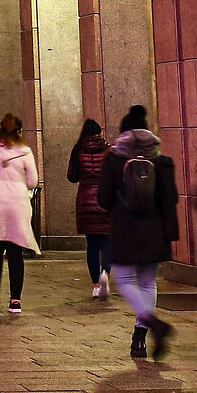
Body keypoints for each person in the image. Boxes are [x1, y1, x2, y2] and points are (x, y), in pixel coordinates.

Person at [99, 105, 179, 358]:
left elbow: (103, 198)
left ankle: (153, 323)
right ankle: (140, 337)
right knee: (147, 283)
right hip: (155, 230)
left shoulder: (113, 159)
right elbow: (172, 198)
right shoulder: (162, 161)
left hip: (125, 229)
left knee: (123, 280)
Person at [0, 114, 40, 311]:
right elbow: (32, 182)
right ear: (19, 132)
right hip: (17, 203)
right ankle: (15, 300)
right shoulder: (25, 151)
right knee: (15, 251)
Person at [68, 118, 112, 298]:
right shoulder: (109, 150)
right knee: (108, 243)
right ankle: (105, 274)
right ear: (100, 133)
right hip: (105, 200)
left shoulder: (78, 149)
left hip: (86, 200)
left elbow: (71, 176)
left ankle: (95, 285)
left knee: (92, 245)